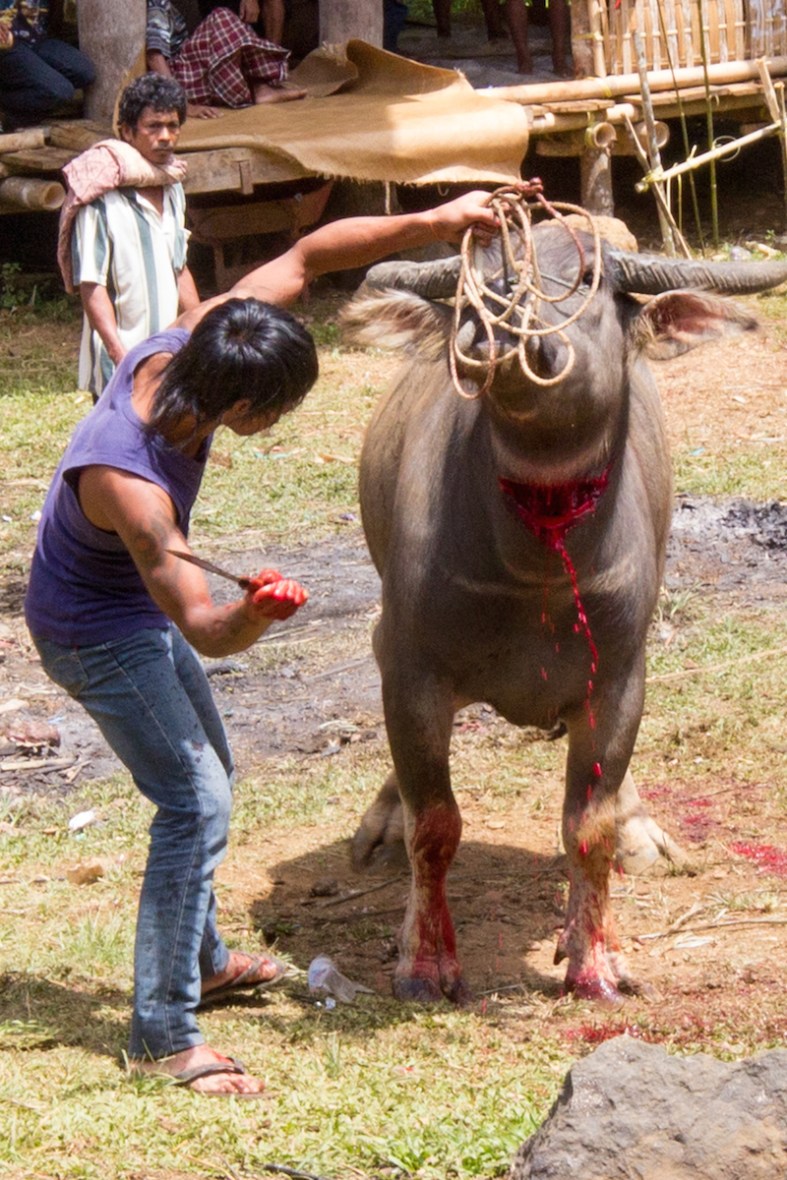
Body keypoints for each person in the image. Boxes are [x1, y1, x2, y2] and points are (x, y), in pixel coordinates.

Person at [25, 188, 503, 1097]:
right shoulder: (133, 483)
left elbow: (314, 254)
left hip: (129, 607)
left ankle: (200, 960)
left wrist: (446, 218)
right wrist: (257, 614)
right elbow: (204, 629)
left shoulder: (201, 341)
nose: (276, 430)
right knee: (193, 804)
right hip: (94, 632)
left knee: (211, 771)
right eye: (275, 415)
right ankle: (164, 1032)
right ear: (242, 401)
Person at [61, 74, 199, 401]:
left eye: (173, 125)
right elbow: (91, 285)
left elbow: (178, 268)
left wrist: (201, 330)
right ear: (126, 131)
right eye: (153, 126)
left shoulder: (173, 188)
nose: (165, 136)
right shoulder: (100, 199)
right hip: (120, 361)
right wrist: (118, 354)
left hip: (168, 356)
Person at [145, 0, 304, 118]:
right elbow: (154, 57)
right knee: (221, 18)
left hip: (187, 74)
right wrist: (183, 105)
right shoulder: (156, 6)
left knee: (223, 23)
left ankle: (260, 86)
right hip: (180, 79)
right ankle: (260, 88)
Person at [0, 0, 95, 127]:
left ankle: (29, 104)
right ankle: (7, 111)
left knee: (85, 72)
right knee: (60, 91)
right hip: (7, 45)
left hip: (36, 38)